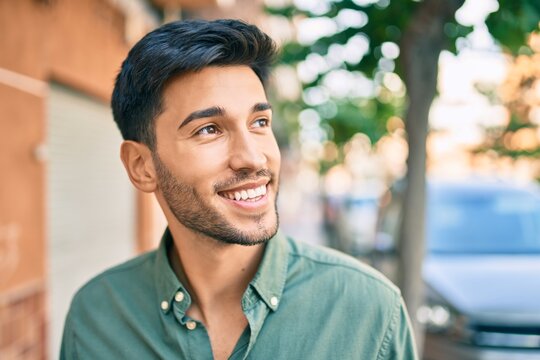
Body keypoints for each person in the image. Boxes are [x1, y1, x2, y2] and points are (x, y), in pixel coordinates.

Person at [60, 19, 417, 360]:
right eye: (208, 129)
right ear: (142, 166)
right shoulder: (96, 317)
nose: (252, 157)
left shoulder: (370, 310)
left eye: (259, 122)